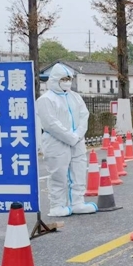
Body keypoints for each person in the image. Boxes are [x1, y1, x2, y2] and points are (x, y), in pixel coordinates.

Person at [36, 63, 97, 217]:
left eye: (69, 79)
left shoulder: (75, 97)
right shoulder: (46, 99)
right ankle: (57, 205)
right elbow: (50, 123)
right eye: (63, 79)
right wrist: (70, 137)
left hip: (77, 141)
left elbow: (84, 115)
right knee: (58, 174)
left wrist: (78, 135)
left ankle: (78, 202)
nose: (67, 82)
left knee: (79, 171)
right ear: (55, 80)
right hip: (56, 142)